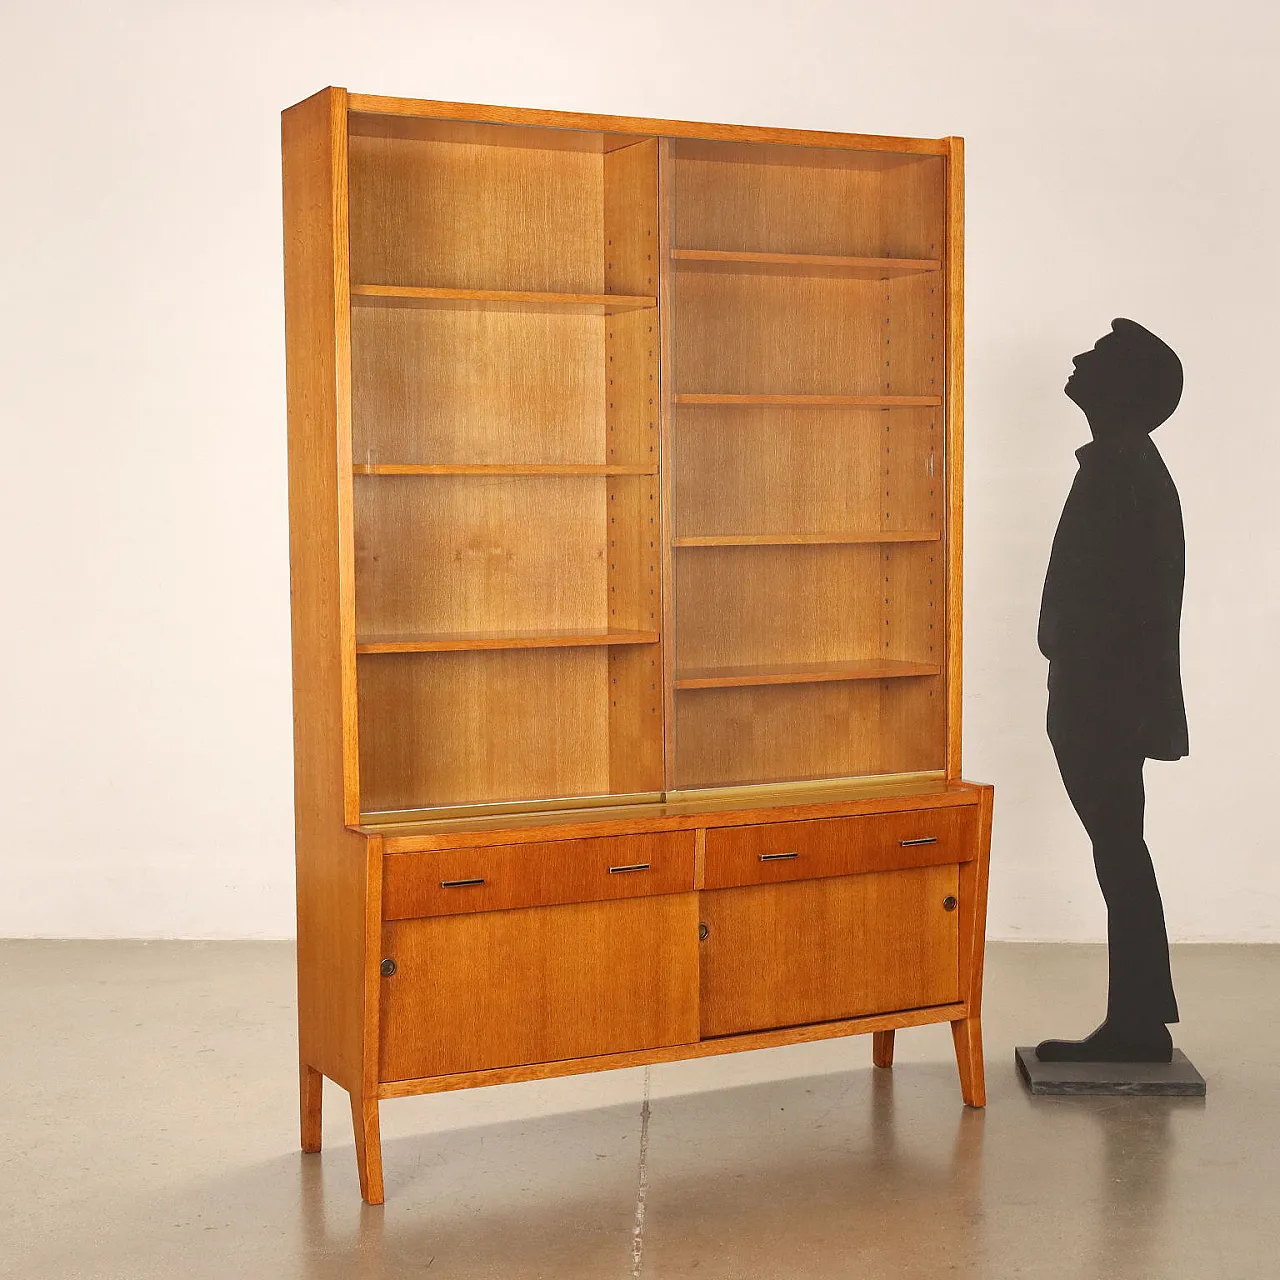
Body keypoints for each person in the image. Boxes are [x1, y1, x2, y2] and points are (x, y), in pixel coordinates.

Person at [1035, 318, 1187, 1064]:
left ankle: (1137, 1024)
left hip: (1105, 700)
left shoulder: (1125, 470)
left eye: (1096, 356)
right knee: (1120, 849)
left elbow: (1138, 604)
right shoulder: (1120, 464)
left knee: (1119, 850)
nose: (1077, 358)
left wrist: (1083, 669)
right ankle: (1139, 1018)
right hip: (1101, 695)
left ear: (1121, 387)